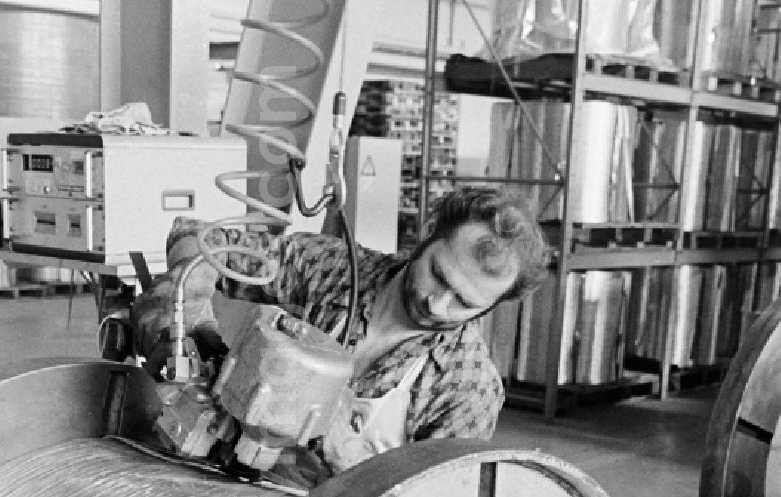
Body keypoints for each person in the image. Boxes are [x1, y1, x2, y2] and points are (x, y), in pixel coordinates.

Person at [131, 184, 549, 477]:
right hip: (226, 482)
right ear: (426, 237)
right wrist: (188, 312)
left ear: (493, 305)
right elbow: (202, 239)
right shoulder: (332, 271)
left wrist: (347, 454)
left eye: (465, 302)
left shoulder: (467, 387)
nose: (436, 303)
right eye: (437, 275)